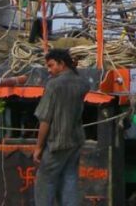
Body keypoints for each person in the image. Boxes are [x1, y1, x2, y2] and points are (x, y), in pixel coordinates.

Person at [34, 49, 90, 206]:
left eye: (51, 65)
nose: (48, 69)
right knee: (70, 178)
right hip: (76, 140)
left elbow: (45, 119)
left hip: (57, 143)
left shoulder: (53, 85)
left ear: (62, 64)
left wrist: (38, 147)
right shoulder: (82, 83)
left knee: (45, 181)